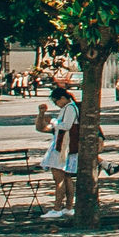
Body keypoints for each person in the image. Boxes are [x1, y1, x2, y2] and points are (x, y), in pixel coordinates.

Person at [37, 86, 80, 220]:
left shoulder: (69, 108)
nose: (57, 105)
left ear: (62, 98)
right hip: (65, 146)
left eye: (56, 102)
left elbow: (66, 126)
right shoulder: (71, 108)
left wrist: (53, 121)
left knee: (59, 178)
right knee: (66, 177)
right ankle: (68, 207)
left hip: (62, 146)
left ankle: (57, 208)